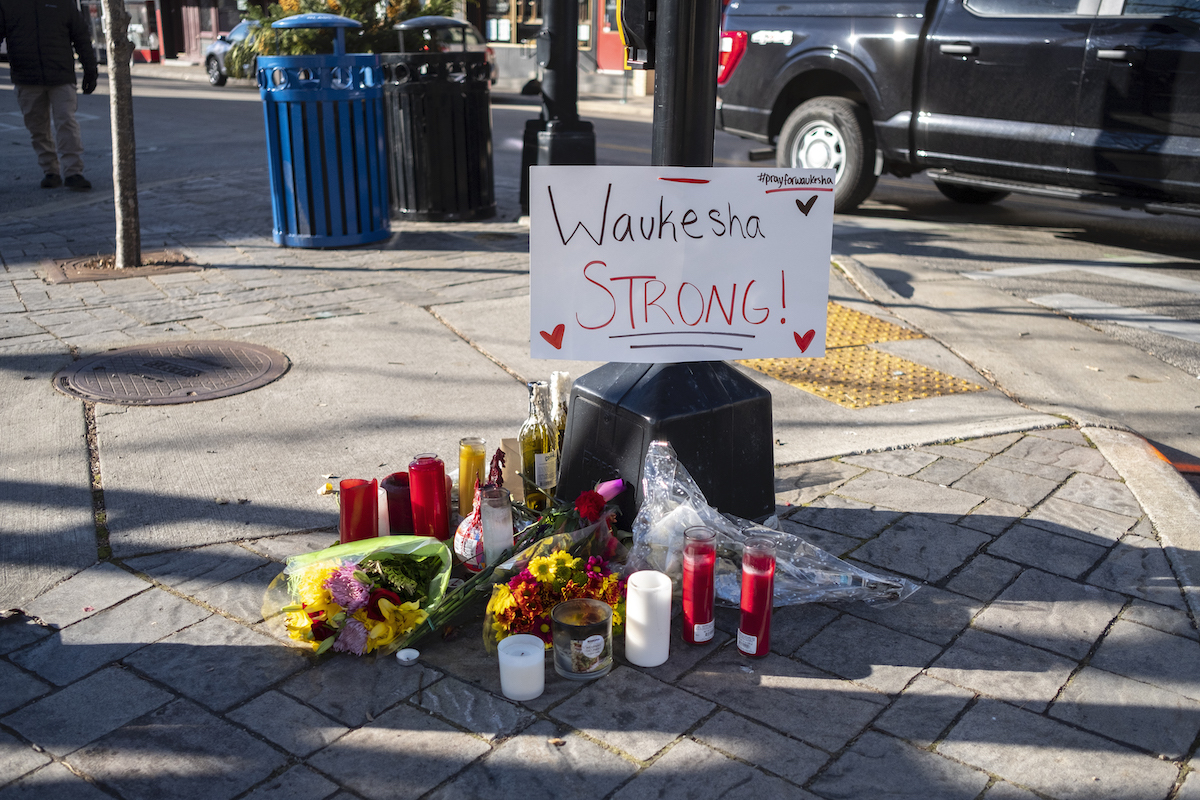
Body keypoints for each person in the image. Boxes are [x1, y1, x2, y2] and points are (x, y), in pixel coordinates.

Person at [0, 0, 98, 191]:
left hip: (61, 75)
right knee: (37, 128)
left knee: (66, 122)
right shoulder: (8, 4)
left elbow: (81, 36)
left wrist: (90, 69)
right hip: (26, 77)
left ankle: (73, 172)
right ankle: (50, 171)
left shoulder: (63, 3)